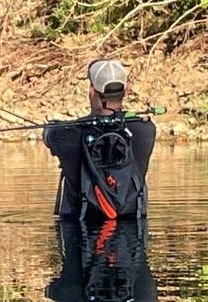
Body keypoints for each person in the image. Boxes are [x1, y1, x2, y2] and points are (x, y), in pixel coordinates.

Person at [43, 59, 156, 221]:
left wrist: (54, 125)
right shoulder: (146, 130)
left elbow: (48, 135)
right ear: (127, 90)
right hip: (132, 230)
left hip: (79, 232)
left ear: (91, 92)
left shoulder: (65, 133)